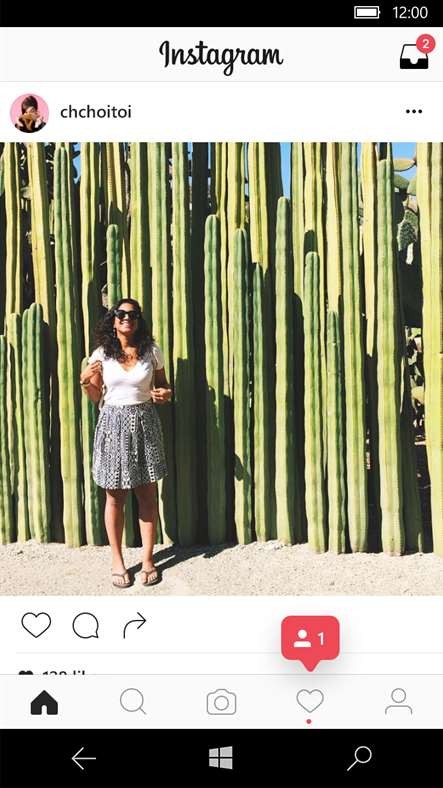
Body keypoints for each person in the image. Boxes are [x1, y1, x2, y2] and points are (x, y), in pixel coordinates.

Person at [80, 298, 172, 589]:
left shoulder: (151, 351)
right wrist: (85, 381)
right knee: (115, 497)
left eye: (132, 314)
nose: (126, 318)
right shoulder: (101, 354)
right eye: (120, 314)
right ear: (113, 319)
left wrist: (165, 394)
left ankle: (148, 560)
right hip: (112, 425)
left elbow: (163, 385)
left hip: (145, 424)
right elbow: (96, 397)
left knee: (147, 495)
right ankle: (117, 561)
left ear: (139, 319)